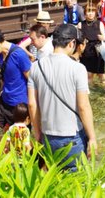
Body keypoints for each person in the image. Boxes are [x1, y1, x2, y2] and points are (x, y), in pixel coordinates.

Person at [27, 24, 97, 172]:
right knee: (75, 184)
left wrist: (38, 132)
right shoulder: (78, 69)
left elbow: (32, 105)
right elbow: (83, 107)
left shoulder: (35, 67)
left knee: (53, 180)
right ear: (71, 43)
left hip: (47, 135)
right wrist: (92, 137)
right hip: (72, 136)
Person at [78, 3, 105, 86]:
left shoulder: (99, 23)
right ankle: (90, 93)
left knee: (101, 74)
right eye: (88, 11)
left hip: (97, 52)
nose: (90, 13)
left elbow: (104, 37)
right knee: (88, 75)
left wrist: (102, 37)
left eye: (92, 11)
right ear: (85, 13)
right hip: (86, 52)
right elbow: (78, 39)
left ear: (96, 12)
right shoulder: (81, 24)